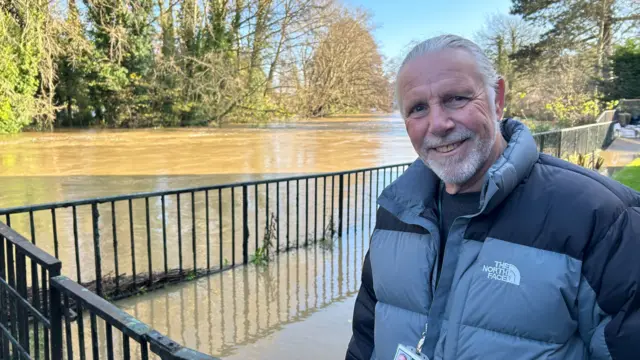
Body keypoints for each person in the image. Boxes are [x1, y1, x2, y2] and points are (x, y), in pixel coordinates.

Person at [345, 34, 640, 360]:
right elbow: (364, 342)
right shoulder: (395, 212)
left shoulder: (602, 218)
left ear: (497, 99)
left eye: (456, 98)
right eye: (418, 108)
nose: (439, 124)